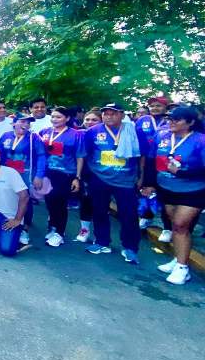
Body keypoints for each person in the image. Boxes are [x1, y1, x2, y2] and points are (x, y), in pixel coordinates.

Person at [142, 106, 205, 285]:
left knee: (180, 225)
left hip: (193, 191)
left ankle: (183, 268)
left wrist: (182, 171)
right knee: (173, 224)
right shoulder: (161, 137)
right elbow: (151, 161)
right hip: (167, 189)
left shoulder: (200, 140)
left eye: (176, 120)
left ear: (191, 122)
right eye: (170, 119)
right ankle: (178, 260)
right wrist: (149, 184)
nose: (171, 122)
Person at [83, 103, 146, 263]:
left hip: (126, 180)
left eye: (113, 113)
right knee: (99, 211)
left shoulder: (133, 131)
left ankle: (130, 248)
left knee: (129, 214)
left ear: (122, 115)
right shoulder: (92, 132)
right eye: (106, 113)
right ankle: (102, 242)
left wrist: (142, 176)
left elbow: (142, 155)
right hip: (99, 178)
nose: (109, 116)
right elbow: (86, 154)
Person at [0, 112, 46, 245]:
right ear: (14, 123)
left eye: (28, 123)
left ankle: (25, 229)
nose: (25, 125)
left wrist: (39, 176)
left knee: (25, 199)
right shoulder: (6, 136)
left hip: (25, 173)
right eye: (22, 121)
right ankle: (6, 222)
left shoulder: (34, 138)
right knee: (7, 197)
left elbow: (41, 156)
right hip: (6, 172)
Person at [38, 107, 85, 248]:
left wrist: (77, 177)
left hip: (66, 173)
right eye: (53, 116)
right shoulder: (45, 132)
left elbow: (80, 157)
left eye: (58, 117)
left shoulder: (76, 135)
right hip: (47, 172)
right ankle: (52, 227)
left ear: (67, 118)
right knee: (49, 200)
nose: (54, 119)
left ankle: (60, 233)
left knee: (60, 202)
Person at [135, 95, 172, 240]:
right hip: (147, 159)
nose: (155, 108)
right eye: (152, 106)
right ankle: (146, 216)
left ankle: (167, 227)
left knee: (163, 192)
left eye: (158, 105)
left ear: (165, 107)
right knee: (146, 188)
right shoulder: (142, 120)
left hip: (166, 160)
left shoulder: (170, 120)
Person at [75, 109, 102, 242]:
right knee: (85, 201)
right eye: (87, 119)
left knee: (99, 204)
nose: (90, 122)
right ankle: (84, 230)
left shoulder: (106, 135)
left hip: (102, 174)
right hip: (84, 173)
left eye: (94, 120)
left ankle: (100, 235)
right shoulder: (78, 134)